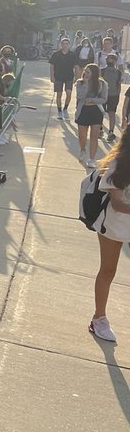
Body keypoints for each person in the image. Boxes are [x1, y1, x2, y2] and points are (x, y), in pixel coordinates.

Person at [89, 132, 130, 342]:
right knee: (108, 271)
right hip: (113, 226)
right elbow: (117, 204)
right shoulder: (117, 165)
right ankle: (99, 319)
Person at [75, 63, 108, 168]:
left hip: (96, 111)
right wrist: (85, 83)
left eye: (88, 72)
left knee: (94, 136)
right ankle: (82, 149)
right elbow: (80, 96)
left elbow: (104, 99)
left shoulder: (102, 84)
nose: (86, 73)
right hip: (83, 111)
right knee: (82, 136)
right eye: (85, 71)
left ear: (94, 73)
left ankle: (91, 159)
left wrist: (93, 100)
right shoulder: (80, 83)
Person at [49, 37, 79, 119]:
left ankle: (65, 109)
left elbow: (76, 66)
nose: (65, 45)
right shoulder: (56, 54)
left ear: (69, 45)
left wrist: (77, 77)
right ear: (61, 44)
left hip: (69, 76)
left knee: (69, 93)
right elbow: (52, 66)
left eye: (66, 44)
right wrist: (52, 76)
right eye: (63, 44)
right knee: (59, 94)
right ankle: (59, 111)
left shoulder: (73, 55)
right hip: (58, 76)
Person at [101, 53, 122, 142]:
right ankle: (100, 129)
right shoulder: (102, 71)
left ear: (115, 61)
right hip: (102, 95)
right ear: (106, 60)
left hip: (113, 95)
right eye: (109, 59)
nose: (111, 60)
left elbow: (119, 84)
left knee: (112, 113)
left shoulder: (118, 72)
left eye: (113, 59)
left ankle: (111, 132)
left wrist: (118, 95)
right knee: (101, 112)